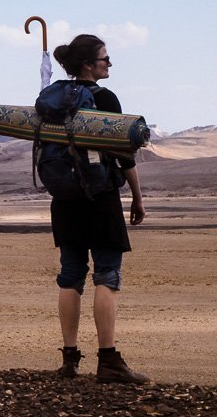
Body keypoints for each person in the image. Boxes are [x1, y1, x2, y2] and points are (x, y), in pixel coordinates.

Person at [48, 33, 149, 384]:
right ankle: (108, 361)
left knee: (70, 276)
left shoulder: (54, 98)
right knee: (107, 276)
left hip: (64, 201)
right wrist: (137, 197)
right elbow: (123, 152)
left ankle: (69, 360)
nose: (109, 64)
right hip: (100, 198)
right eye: (105, 59)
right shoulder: (105, 98)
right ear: (89, 64)